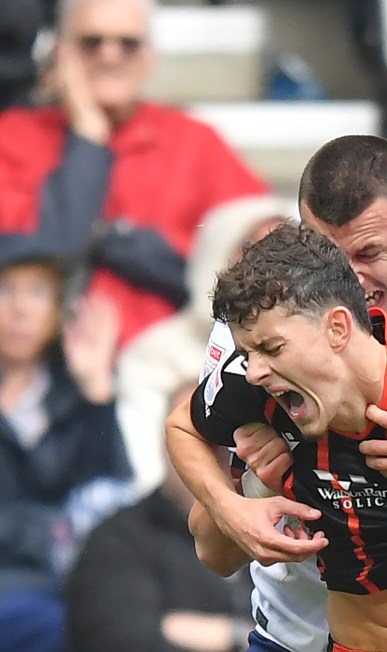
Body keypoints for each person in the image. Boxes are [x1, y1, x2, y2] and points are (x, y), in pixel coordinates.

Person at [165, 135, 387, 652]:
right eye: (329, 256)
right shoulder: (255, 333)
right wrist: (238, 501)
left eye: (370, 252)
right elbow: (211, 538)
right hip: (299, 631)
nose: (350, 279)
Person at [0, 0, 269, 350]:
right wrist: (88, 134)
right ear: (59, 52)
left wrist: (111, 240)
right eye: (91, 42)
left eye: (128, 44)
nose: (110, 56)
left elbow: (257, 266)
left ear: (150, 56)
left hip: (174, 377)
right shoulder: (13, 137)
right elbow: (48, 251)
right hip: (43, 381)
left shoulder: (195, 141)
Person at [0, 235, 132, 652]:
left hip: (63, 585)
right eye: (6, 290)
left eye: (37, 292)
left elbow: (111, 493)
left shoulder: (72, 395)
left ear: (57, 308)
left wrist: (96, 391)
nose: (20, 309)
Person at [116, 195, 289, 495]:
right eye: (254, 250)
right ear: (218, 255)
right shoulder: (153, 354)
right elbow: (147, 473)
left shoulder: (312, 350)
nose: (272, 268)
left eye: (286, 251)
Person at [65, 383, 255, 652]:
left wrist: (230, 635)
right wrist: (246, 636)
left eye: (226, 442)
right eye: (191, 442)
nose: (211, 458)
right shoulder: (116, 540)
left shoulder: (276, 527)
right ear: (164, 448)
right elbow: (118, 640)